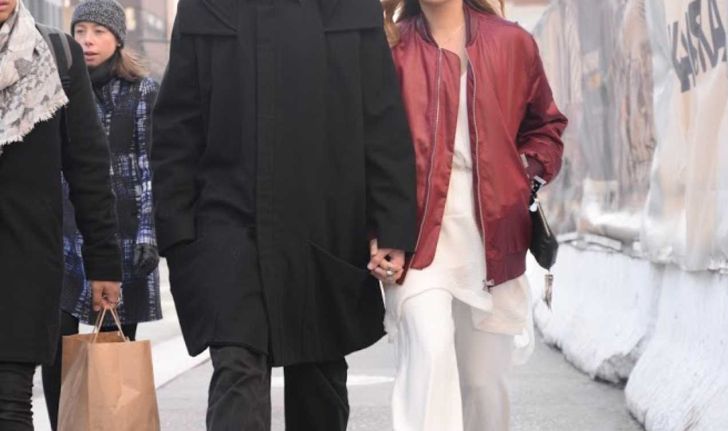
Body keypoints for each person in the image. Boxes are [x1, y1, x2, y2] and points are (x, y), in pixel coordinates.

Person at [151, 0, 416, 429]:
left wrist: (390, 225)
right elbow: (176, 122)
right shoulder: (206, 6)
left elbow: (381, 121)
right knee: (237, 367)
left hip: (326, 223)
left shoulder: (351, 8)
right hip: (226, 223)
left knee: (318, 379)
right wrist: (178, 230)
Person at [381, 0, 568, 429]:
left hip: (493, 230)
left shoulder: (513, 42)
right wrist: (378, 230)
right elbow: (368, 149)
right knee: (429, 350)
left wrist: (524, 171)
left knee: (483, 383)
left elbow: (546, 127)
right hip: (416, 232)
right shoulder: (392, 48)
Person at [0, 0, 123, 429]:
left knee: (10, 400)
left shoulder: (56, 54)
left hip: (24, 259)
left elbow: (88, 166)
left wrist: (104, 263)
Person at [40, 1, 162, 428]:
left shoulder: (143, 90)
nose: (87, 41)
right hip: (63, 229)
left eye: (98, 32)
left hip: (123, 234)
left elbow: (150, 167)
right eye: (81, 31)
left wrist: (149, 233)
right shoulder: (55, 85)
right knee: (55, 345)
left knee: (115, 344)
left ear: (117, 39)